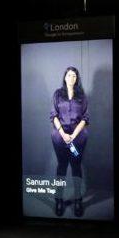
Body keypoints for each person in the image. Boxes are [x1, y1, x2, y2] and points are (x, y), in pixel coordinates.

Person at [49, 66, 89, 217]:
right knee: (61, 166)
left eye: (74, 76)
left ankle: (78, 200)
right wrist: (63, 134)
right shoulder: (57, 94)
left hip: (78, 138)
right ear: (65, 77)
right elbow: (53, 115)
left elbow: (85, 118)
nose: (71, 78)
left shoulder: (82, 96)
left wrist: (73, 135)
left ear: (77, 79)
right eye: (69, 75)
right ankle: (58, 200)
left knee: (76, 166)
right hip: (60, 137)